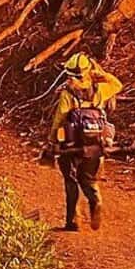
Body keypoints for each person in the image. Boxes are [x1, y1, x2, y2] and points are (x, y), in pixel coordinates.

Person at [48, 52, 122, 231]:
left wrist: (52, 141)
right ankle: (95, 201)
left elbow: (59, 119)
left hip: (71, 146)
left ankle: (73, 221)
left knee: (71, 179)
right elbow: (117, 85)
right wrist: (102, 75)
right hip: (95, 144)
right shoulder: (99, 89)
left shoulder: (68, 93)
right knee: (89, 179)